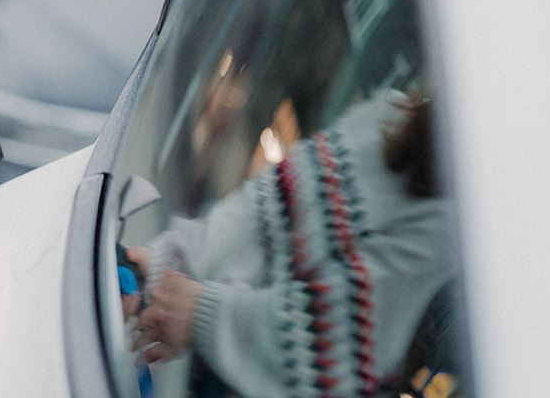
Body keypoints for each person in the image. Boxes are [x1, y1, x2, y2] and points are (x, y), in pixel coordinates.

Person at [124, 90, 453, 398]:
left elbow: (334, 343)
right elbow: (263, 211)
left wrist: (199, 313)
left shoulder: (452, 228)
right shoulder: (388, 115)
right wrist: (169, 262)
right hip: (205, 367)